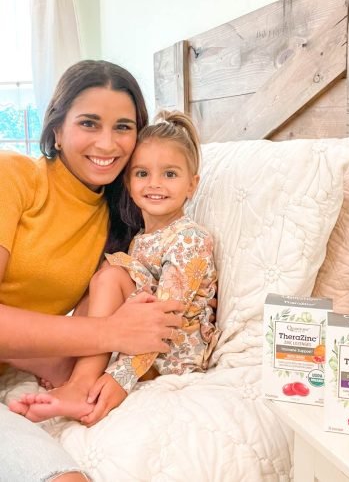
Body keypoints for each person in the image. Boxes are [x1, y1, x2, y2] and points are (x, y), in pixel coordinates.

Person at [0, 60, 184, 481]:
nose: (107, 143)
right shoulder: (13, 177)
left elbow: (100, 312)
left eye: (123, 126)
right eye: (89, 123)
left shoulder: (121, 217)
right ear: (56, 129)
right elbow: (105, 328)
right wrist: (112, 332)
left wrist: (84, 375)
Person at [9, 110, 220, 427]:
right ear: (128, 181)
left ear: (192, 185)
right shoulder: (141, 239)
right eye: (142, 174)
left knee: (110, 277)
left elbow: (165, 320)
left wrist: (119, 380)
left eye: (170, 175)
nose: (155, 185)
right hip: (137, 338)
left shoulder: (190, 239)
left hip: (171, 352)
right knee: (103, 277)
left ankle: (80, 385)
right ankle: (69, 370)